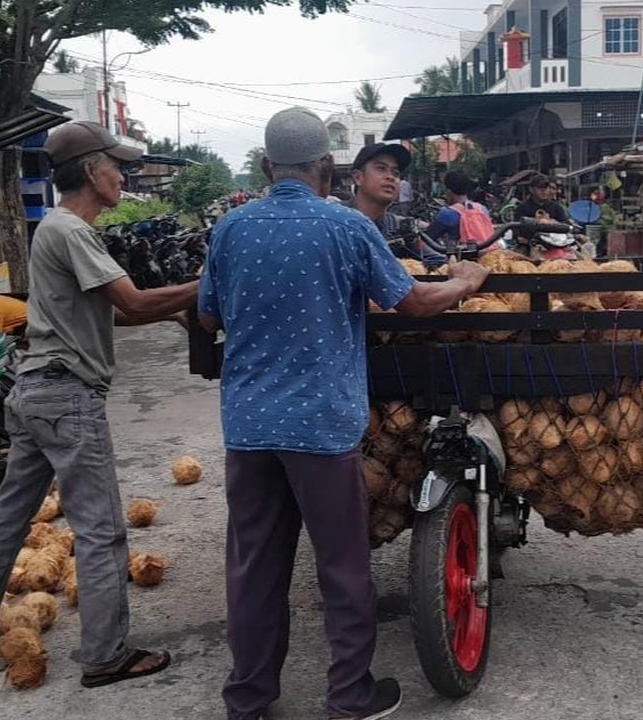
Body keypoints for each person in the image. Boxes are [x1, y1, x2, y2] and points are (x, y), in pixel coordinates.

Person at [198, 106, 489, 720]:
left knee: (254, 566)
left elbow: (207, 314)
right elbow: (410, 302)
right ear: (328, 167)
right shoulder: (345, 228)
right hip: (321, 425)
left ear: (263, 165)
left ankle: (248, 699)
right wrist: (465, 281)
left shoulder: (230, 228)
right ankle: (349, 695)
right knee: (342, 565)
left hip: (248, 427)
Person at [0, 121, 197, 688]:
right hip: (67, 395)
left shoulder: (53, 229)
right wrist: (207, 286)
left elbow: (116, 312)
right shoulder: (74, 232)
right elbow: (132, 299)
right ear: (91, 170)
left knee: (9, 516)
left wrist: (173, 309)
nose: (123, 175)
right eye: (117, 166)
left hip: (33, 391)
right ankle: (106, 655)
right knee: (100, 528)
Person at [347, 143, 446, 270]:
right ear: (358, 177)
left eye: (396, 173)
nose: (391, 177)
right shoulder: (334, 224)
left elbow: (437, 260)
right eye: (381, 168)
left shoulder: (399, 228)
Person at [423, 170, 497, 252]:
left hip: (462, 258)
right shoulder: (482, 209)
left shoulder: (447, 213)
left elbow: (428, 237)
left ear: (449, 191)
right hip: (488, 254)